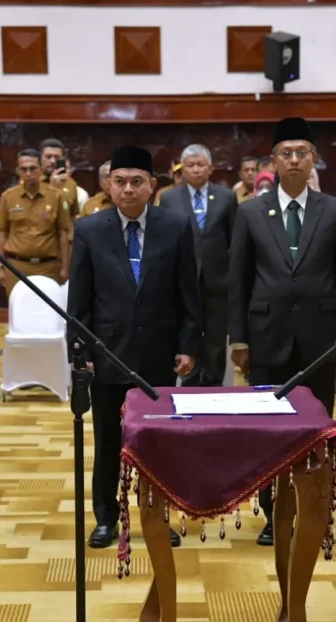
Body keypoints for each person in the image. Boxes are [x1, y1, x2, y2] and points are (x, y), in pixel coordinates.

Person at [228, 116, 336, 546]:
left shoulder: (335, 211)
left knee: (317, 431)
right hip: (267, 340)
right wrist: (240, 338)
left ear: (313, 160)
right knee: (268, 433)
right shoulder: (250, 212)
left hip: (320, 341)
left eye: (301, 153)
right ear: (274, 160)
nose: (294, 160)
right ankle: (273, 516)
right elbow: (239, 280)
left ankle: (318, 514)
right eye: (286, 153)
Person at [68, 146, 202, 550]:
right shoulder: (89, 230)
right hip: (107, 353)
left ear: (152, 186)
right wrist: (81, 352)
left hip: (159, 353)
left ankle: (158, 516)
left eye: (136, 181)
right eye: (120, 181)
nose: (128, 189)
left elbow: (188, 294)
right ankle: (107, 518)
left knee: (157, 442)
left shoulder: (175, 226)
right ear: (109, 185)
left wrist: (188, 345)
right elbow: (80, 301)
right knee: (109, 441)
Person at [159, 144, 237, 387]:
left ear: (210, 168)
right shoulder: (169, 198)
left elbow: (234, 239)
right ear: (182, 169)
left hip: (217, 279)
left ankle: (213, 382)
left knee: (215, 337)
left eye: (200, 164)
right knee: (188, 332)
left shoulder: (226, 197)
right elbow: (164, 239)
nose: (195, 170)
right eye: (190, 165)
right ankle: (190, 383)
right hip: (184, 279)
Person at [0, 148, 73, 292]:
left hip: (48, 267)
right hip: (16, 266)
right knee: (18, 311)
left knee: (49, 312)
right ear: (18, 171)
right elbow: (2, 234)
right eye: (24, 169)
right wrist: (0, 267)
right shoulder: (8, 197)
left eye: (33, 168)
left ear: (41, 169)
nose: (29, 174)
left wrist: (65, 268)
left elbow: (63, 235)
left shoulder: (55, 196)